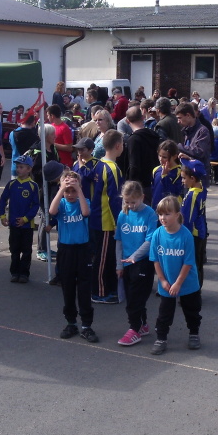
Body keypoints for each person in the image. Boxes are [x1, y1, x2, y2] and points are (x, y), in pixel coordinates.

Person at [148, 194, 202, 355]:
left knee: (191, 310)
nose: (163, 218)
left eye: (167, 214)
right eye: (160, 214)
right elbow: (155, 259)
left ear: (177, 215)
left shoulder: (186, 236)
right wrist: (162, 280)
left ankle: (194, 333)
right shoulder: (157, 234)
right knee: (164, 313)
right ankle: (161, 338)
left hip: (187, 282)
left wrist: (178, 283)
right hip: (167, 283)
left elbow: (188, 262)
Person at [51, 170, 96, 341]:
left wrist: (79, 190)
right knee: (68, 287)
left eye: (73, 191)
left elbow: (85, 213)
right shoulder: (61, 203)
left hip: (82, 250)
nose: (70, 194)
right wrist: (61, 189)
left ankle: (86, 325)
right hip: (66, 251)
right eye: (67, 191)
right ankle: (71, 322)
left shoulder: (84, 202)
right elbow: (52, 211)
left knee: (84, 287)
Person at [115, 181, 158, 346]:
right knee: (130, 295)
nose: (130, 205)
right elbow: (119, 241)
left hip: (142, 261)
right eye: (127, 202)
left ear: (142, 197)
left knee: (135, 298)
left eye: (134, 202)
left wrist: (134, 256)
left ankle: (134, 328)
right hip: (126, 262)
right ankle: (143, 324)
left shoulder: (150, 214)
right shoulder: (123, 214)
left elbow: (150, 240)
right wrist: (119, 265)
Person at [89, 129, 124, 304]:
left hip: (97, 217)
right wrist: (118, 222)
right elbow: (114, 199)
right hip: (105, 221)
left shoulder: (99, 163)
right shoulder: (112, 168)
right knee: (102, 259)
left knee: (105, 256)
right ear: (118, 146)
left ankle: (108, 288)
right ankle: (99, 292)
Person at [0, 154, 40, 284]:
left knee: (26, 251)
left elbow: (36, 205)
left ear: (29, 169)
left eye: (21, 167)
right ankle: (14, 272)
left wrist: (26, 219)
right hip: (14, 224)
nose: (18, 169)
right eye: (17, 167)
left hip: (27, 226)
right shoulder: (11, 184)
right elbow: (3, 199)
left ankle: (24, 273)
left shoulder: (33, 186)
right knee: (14, 249)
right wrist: (2, 216)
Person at [180, 158, 208, 284]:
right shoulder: (202, 188)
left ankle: (194, 288)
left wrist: (183, 237)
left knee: (193, 263)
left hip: (193, 234)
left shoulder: (192, 196)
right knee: (198, 261)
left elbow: (187, 219)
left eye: (184, 178)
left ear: (192, 178)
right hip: (201, 231)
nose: (182, 181)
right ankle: (197, 286)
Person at [123, 105, 161, 189]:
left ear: (127, 121)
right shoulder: (154, 135)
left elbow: (133, 165)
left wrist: (131, 187)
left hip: (141, 186)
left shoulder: (133, 140)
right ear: (143, 117)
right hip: (155, 181)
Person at [151, 140, 183, 209]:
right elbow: (154, 190)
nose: (161, 159)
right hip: (156, 208)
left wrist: (165, 176)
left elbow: (175, 192)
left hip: (170, 209)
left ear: (174, 156)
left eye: (164, 157)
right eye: (159, 156)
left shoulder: (180, 172)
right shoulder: (156, 169)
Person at [47, 104, 75, 168]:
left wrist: (53, 144)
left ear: (52, 116)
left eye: (48, 115)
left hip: (64, 164)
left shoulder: (65, 128)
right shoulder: (51, 126)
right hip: (55, 162)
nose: (47, 117)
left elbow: (69, 148)